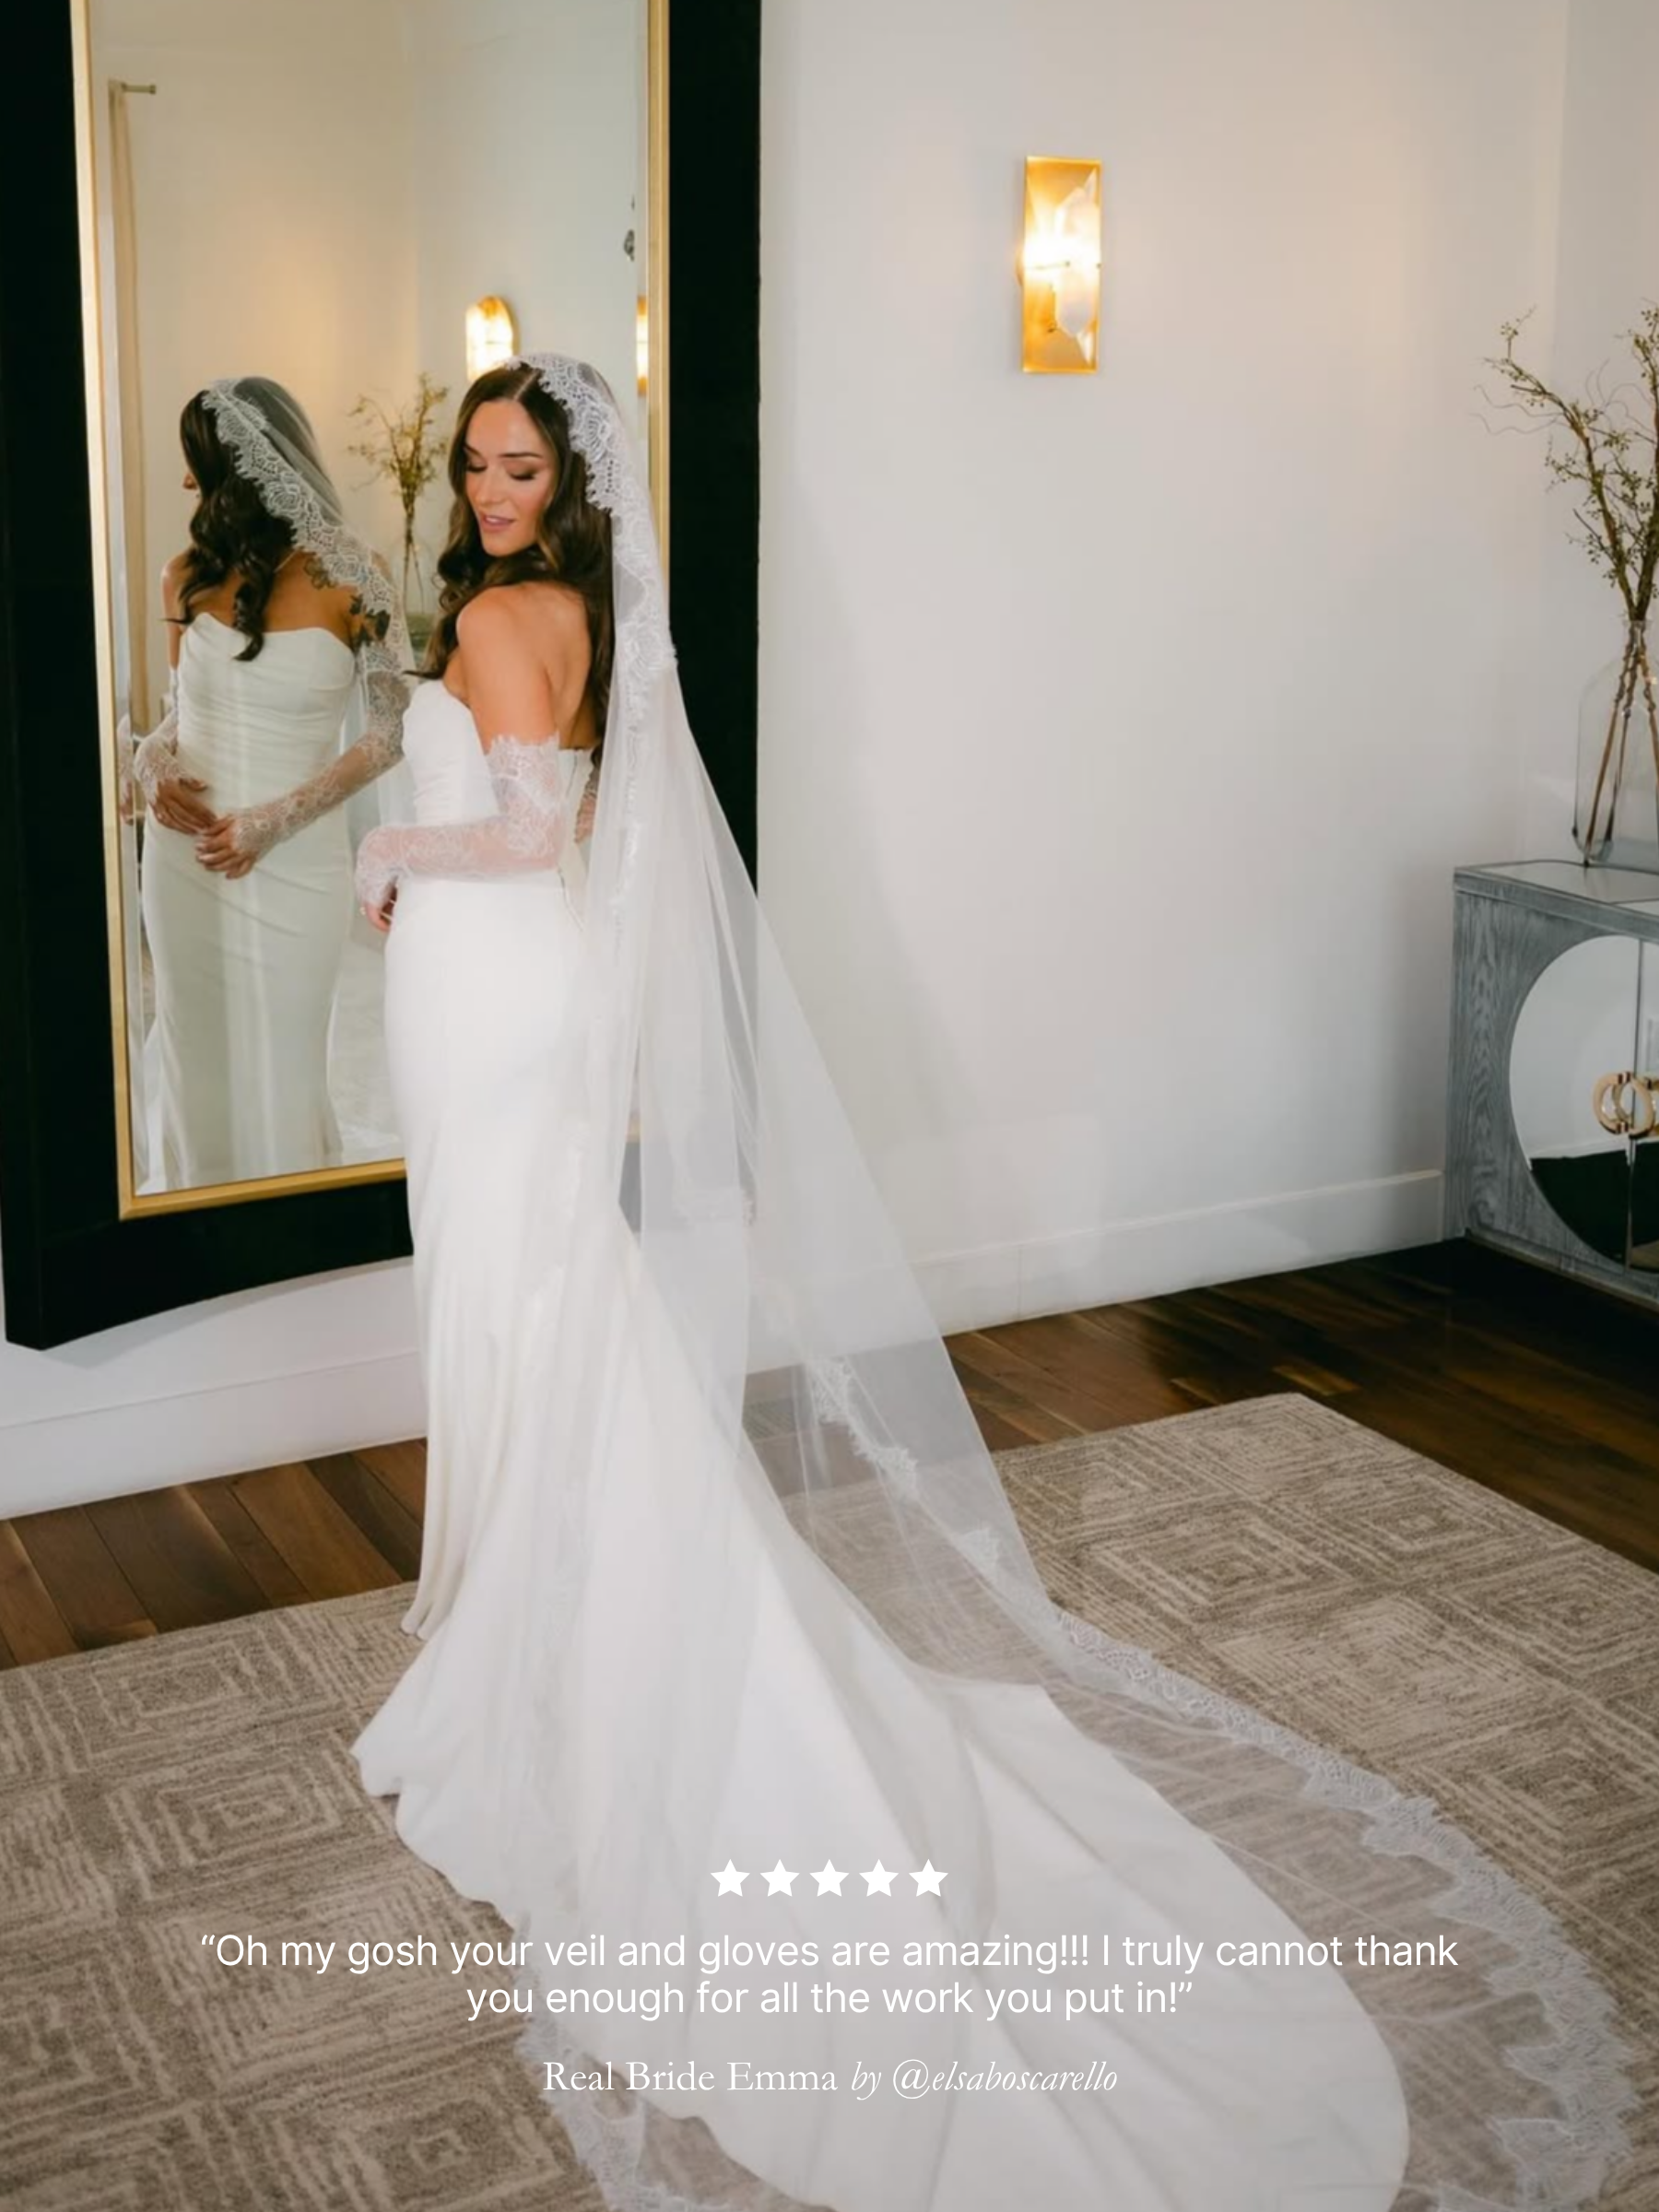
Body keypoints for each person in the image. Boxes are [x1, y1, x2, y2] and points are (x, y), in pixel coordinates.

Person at [348, 356, 1632, 2212]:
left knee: (534, 1314)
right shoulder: (545, 611)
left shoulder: (505, 614)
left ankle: (567, 1657)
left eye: (517, 464)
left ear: (563, 485)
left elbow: (537, 836)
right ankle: (538, 1624)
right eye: (474, 463)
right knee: (541, 1316)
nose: (490, 487)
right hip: (498, 1004)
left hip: (497, 997)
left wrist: (395, 839)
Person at [125, 377, 413, 1187]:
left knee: (284, 1058)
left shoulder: (360, 576)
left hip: (293, 866)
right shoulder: (182, 574)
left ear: (246, 468)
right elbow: (180, 712)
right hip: (186, 868)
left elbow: (393, 732)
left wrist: (277, 820)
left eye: (198, 464)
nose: (188, 483)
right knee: (197, 1053)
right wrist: (152, 757)